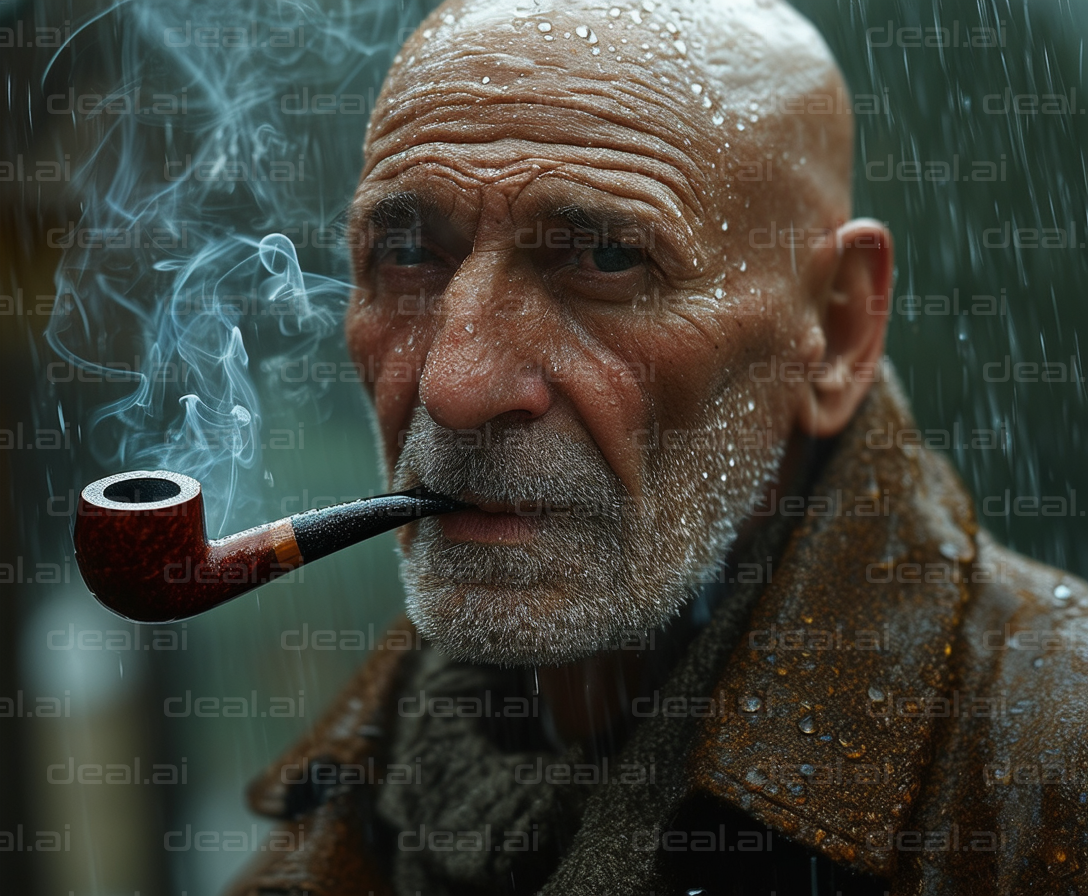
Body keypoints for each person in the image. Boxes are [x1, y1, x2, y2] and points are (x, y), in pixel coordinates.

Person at [227, 0, 1088, 893]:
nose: (456, 386)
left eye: (604, 259)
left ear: (833, 330)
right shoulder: (334, 831)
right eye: (407, 252)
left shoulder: (1050, 776)